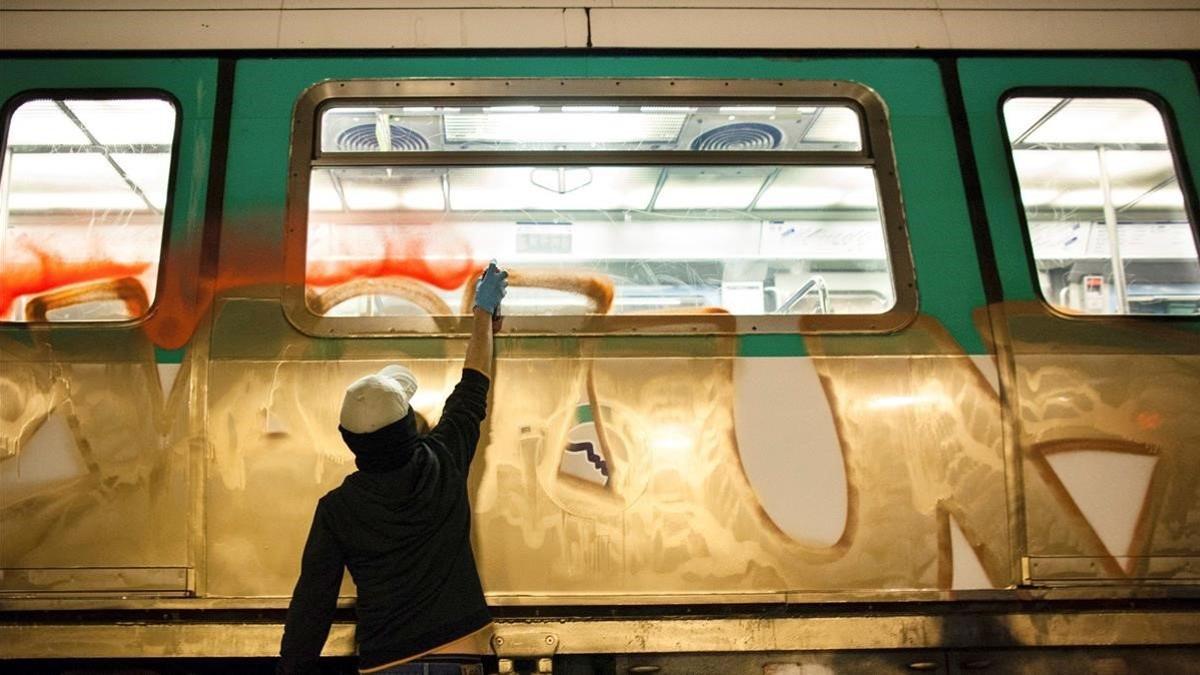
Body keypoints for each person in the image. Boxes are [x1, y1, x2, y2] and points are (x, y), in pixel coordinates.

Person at [278, 262, 509, 675]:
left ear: (350, 441)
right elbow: (473, 386)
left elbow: (313, 604)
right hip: (460, 652)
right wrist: (482, 315)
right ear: (407, 426)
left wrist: (291, 670)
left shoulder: (337, 509)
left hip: (387, 660)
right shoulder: (444, 459)